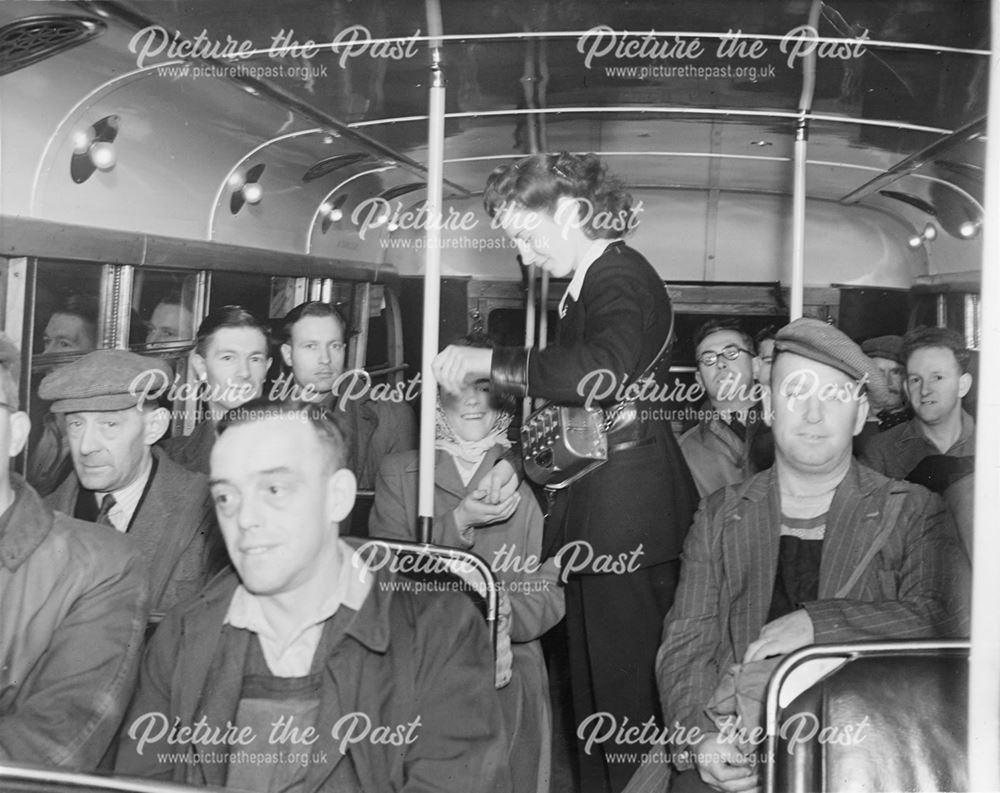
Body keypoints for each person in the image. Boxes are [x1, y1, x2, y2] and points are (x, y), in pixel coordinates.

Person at [433, 152, 698, 793]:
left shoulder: (619, 276)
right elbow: (581, 421)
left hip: (626, 530)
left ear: (576, 211)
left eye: (527, 234)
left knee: (625, 706)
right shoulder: (584, 290)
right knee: (597, 702)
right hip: (599, 522)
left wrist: (488, 358)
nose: (523, 255)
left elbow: (594, 373)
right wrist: (520, 473)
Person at [116, 399, 511, 792]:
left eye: (274, 488)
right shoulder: (185, 635)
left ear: (337, 497)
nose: (245, 517)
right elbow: (143, 781)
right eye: (225, 496)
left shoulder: (438, 631)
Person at [657, 318, 969, 793]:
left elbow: (941, 615)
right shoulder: (720, 516)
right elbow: (686, 643)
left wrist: (817, 627)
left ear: (860, 414)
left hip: (865, 750)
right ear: (766, 406)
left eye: (836, 396)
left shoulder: (912, 510)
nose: (814, 413)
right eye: (795, 393)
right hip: (743, 744)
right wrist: (700, 738)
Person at [370, 336, 565, 793]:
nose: (474, 401)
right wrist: (456, 523)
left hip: (509, 666)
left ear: (504, 397)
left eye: (485, 386)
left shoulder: (538, 474)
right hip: (423, 660)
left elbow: (554, 582)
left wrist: (505, 614)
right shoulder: (401, 473)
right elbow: (383, 577)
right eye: (461, 388)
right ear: (439, 397)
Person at [0, 333, 148, 769]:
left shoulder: (102, 567)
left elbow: (50, 745)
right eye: (78, 425)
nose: (88, 444)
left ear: (16, 435)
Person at [40, 349, 220, 612]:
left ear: (154, 427)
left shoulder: (207, 512)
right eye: (77, 425)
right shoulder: (40, 519)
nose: (86, 446)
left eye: (109, 424)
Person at [280, 301, 416, 490]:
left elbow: (401, 509)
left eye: (334, 346)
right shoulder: (263, 419)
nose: (325, 359)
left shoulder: (392, 418)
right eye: (311, 346)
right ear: (288, 354)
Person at [161, 305, 271, 474]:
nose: (244, 372)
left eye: (255, 359)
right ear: (201, 366)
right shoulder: (170, 460)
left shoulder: (302, 451)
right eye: (228, 358)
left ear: (267, 367)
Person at [860, 326, 975, 488]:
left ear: (963, 385)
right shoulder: (880, 451)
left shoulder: (990, 443)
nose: (925, 390)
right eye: (915, 379)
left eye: (937, 377)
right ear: (907, 388)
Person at [679, 319, 772, 498]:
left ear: (756, 366)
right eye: (708, 358)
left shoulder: (786, 427)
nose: (720, 363)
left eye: (731, 353)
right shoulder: (687, 450)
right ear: (699, 379)